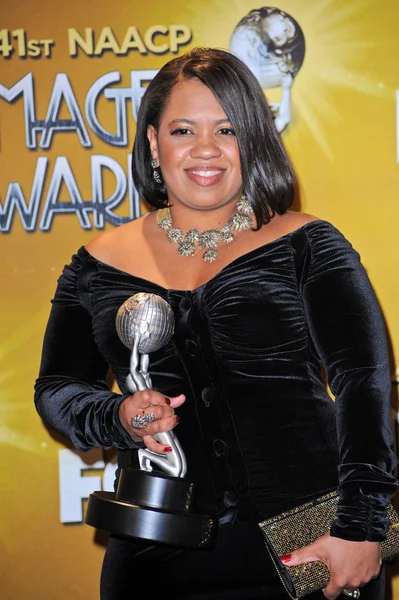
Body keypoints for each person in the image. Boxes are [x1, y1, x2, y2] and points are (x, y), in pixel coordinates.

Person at [34, 47, 398, 600]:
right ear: (154, 142)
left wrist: (363, 524)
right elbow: (57, 389)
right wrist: (117, 416)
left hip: (313, 542)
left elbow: (364, 384)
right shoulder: (96, 265)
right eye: (183, 130)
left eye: (227, 130)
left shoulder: (307, 243)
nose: (207, 150)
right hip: (156, 546)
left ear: (251, 141)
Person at [229, 7, 305, 132]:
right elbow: (283, 120)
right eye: (277, 38)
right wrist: (286, 89)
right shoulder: (253, 133)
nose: (284, 30)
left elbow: (283, 120)